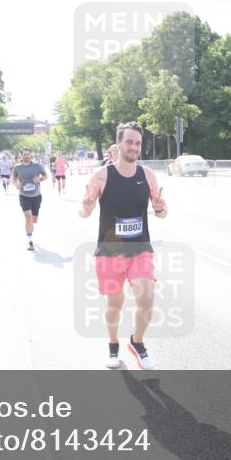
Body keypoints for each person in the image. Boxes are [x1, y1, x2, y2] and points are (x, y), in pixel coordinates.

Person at [80, 122, 168, 371]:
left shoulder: (148, 175)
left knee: (147, 301)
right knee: (114, 304)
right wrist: (86, 205)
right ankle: (113, 344)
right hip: (109, 253)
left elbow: (161, 212)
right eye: (129, 142)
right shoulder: (101, 176)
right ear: (119, 144)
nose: (134, 147)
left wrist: (161, 207)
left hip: (140, 250)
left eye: (138, 143)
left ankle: (137, 342)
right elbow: (83, 212)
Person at [12, 148, 48, 250]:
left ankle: (31, 225)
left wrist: (39, 179)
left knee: (34, 220)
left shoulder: (37, 166)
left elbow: (46, 176)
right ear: (21, 155)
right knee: (28, 217)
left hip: (36, 196)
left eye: (28, 154)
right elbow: (14, 178)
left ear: (31, 155)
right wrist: (16, 185)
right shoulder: (17, 167)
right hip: (24, 196)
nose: (26, 156)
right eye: (24, 154)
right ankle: (30, 241)